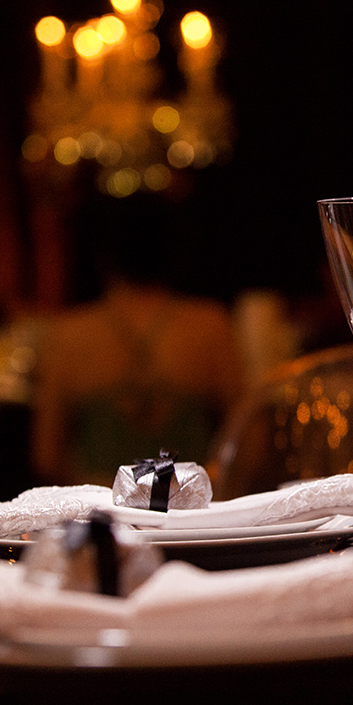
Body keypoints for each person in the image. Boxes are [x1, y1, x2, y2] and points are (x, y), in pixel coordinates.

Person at [32, 194, 243, 487]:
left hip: (101, 508)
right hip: (185, 508)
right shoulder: (209, 327)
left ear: (104, 254)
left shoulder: (70, 334)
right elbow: (246, 441)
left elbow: (46, 456)